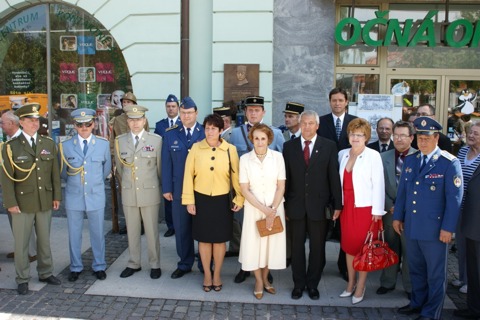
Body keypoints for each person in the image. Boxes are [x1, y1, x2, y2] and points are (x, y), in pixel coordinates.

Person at [394, 117, 462, 320]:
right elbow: (403, 192)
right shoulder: (411, 160)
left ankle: (431, 312)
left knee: (435, 274)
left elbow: (454, 200)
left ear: (436, 138)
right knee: (415, 269)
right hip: (413, 227)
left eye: (427, 138)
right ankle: (417, 303)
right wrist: (398, 217)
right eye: (420, 138)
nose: (422, 142)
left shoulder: (448, 163)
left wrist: (448, 229)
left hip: (435, 230)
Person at [0, 103, 62, 295]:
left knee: (44, 241)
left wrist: (56, 196)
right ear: (21, 122)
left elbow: (54, 174)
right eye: (30, 120)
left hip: (44, 200)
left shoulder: (48, 144)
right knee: (22, 243)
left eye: (36, 120)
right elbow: (6, 178)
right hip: (22, 203)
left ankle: (45, 272)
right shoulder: (11, 147)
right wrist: (10, 202)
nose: (35, 124)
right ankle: (22, 278)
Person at [283, 110, 342, 300]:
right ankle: (298, 284)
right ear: (300, 125)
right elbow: (286, 178)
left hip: (320, 206)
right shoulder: (289, 146)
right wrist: (283, 205)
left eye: (311, 123)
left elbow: (334, 177)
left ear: (317, 126)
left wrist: (338, 205)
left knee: (318, 248)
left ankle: (313, 284)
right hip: (296, 206)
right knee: (297, 248)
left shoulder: (329, 146)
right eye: (304, 123)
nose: (307, 127)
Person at [182, 114, 244, 292]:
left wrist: (239, 198)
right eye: (207, 128)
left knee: (219, 240)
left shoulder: (230, 149)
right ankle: (207, 275)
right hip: (201, 199)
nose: (210, 132)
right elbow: (188, 176)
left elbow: (236, 176)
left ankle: (217, 274)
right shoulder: (196, 148)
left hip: (222, 200)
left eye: (214, 129)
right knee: (203, 239)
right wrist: (189, 201)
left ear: (220, 130)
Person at [229, 95, 285, 283]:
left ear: (263, 112)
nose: (253, 112)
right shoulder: (234, 133)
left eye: (257, 110)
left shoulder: (275, 133)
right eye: (250, 109)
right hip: (246, 194)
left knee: (266, 235)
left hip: (268, 194)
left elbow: (280, 164)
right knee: (246, 235)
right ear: (245, 112)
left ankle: (265, 271)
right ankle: (245, 267)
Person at [59, 108, 111, 282]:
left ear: (94, 124)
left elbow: (106, 169)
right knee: (74, 234)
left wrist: (94, 183)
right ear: (74, 125)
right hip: (74, 195)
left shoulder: (103, 144)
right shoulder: (65, 146)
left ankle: (99, 265)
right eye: (80, 124)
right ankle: (75, 267)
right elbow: (63, 172)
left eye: (88, 124)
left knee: (98, 232)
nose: (84, 127)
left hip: (95, 194)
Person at [337, 118, 385, 305]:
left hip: (365, 209)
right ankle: (350, 283)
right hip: (346, 208)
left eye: (359, 135)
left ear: (366, 137)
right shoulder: (343, 154)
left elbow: (378, 184)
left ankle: (361, 286)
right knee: (349, 248)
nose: (355, 138)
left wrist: (378, 211)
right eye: (352, 134)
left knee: (364, 250)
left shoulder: (373, 155)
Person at [239, 123, 286, 300]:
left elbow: (281, 186)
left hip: (275, 208)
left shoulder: (278, 157)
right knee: (254, 246)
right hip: (254, 209)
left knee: (270, 248)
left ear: (269, 140)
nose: (259, 142)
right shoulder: (244, 159)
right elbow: (244, 189)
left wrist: (272, 210)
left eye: (263, 138)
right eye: (256, 138)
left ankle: (266, 278)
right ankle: (258, 280)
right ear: (252, 139)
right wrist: (264, 209)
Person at [115, 105, 162, 280]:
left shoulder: (156, 140)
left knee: (151, 231)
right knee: (132, 231)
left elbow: (159, 170)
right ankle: (134, 262)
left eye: (139, 119)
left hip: (149, 192)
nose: (135, 123)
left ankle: (155, 263)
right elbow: (120, 169)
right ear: (127, 122)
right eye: (132, 120)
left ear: (144, 121)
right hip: (129, 193)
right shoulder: (120, 141)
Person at [162, 96, 206, 279]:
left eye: (189, 113)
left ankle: (205, 263)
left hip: (203, 190)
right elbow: (165, 163)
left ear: (196, 113)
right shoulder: (171, 133)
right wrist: (166, 188)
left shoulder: (206, 132)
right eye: (183, 113)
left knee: (204, 228)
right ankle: (185, 262)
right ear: (179, 114)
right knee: (181, 228)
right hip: (179, 189)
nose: (186, 116)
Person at [317, 87, 358, 280]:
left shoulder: (355, 123)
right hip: (324, 182)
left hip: (348, 183)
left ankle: (344, 266)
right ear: (329, 101)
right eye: (334, 100)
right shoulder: (321, 122)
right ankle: (319, 264)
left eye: (341, 100)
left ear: (347, 101)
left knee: (346, 230)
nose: (337, 103)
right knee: (322, 229)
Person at [376, 121, 415, 298]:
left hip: (410, 215)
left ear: (411, 138)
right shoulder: (383, 157)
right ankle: (388, 282)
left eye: (403, 135)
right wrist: (389, 206)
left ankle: (409, 287)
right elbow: (378, 186)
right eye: (396, 135)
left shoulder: (419, 157)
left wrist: (404, 209)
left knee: (409, 251)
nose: (398, 139)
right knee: (390, 248)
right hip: (389, 213)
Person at [1, 111, 37, 262]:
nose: (1, 125)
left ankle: (31, 252)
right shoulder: (7, 141)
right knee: (15, 221)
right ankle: (21, 250)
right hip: (10, 188)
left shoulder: (24, 140)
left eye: (2, 122)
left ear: (11, 123)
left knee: (26, 220)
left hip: (24, 188)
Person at [454, 122, 480, 319]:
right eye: (470, 132)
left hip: (477, 218)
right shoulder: (462, 152)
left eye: (476, 133)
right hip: (462, 213)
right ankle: (472, 307)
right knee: (470, 264)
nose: (471, 135)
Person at [154, 94, 181, 238]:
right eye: (168, 107)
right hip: (165, 164)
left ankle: (181, 225)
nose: (171, 109)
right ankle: (171, 226)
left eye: (173, 106)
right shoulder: (160, 125)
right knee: (168, 196)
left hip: (179, 163)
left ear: (178, 107)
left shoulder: (183, 124)